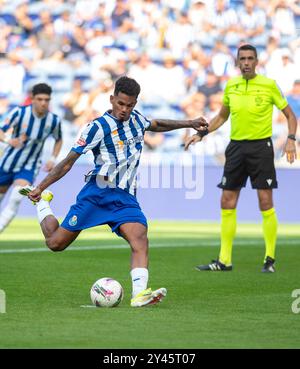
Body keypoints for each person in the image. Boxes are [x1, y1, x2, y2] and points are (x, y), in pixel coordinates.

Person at [20, 76, 207, 307]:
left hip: (125, 197)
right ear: (112, 99)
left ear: (135, 104)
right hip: (97, 193)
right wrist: (41, 188)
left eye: (129, 105)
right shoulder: (95, 127)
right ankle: (43, 204)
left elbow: (156, 125)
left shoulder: (137, 120)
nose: (124, 110)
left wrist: (189, 123)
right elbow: (67, 162)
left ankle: (139, 294)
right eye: (120, 104)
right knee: (55, 243)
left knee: (140, 238)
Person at [185, 44, 297, 273]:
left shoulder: (268, 85)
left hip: (261, 148)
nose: (246, 62)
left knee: (265, 202)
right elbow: (222, 117)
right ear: (237, 62)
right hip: (235, 148)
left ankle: (269, 259)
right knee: (226, 201)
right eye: (242, 59)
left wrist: (291, 139)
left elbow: (290, 115)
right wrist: (202, 133)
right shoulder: (231, 86)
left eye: (250, 58)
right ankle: (224, 260)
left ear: (257, 62)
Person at [0, 83, 62, 233]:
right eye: (40, 99)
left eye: (47, 100)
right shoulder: (19, 113)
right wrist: (9, 140)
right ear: (32, 99)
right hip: (8, 163)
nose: (43, 103)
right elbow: (1, 131)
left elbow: (58, 139)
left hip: (30, 166)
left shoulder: (53, 120)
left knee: (16, 196)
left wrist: (53, 158)